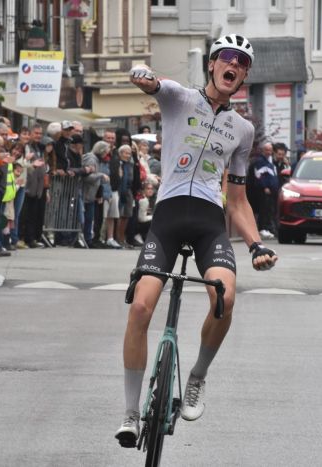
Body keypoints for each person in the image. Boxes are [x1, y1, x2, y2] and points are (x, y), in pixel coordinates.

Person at [115, 34, 278, 447]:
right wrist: (141, 74)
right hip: (168, 219)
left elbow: (237, 200)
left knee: (225, 298)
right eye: (227, 57)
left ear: (245, 75)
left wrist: (256, 244)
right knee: (141, 307)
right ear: (211, 64)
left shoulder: (242, 130)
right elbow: (154, 83)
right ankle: (131, 413)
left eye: (242, 62)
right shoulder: (179, 99)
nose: (233, 65)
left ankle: (197, 378)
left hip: (208, 222)